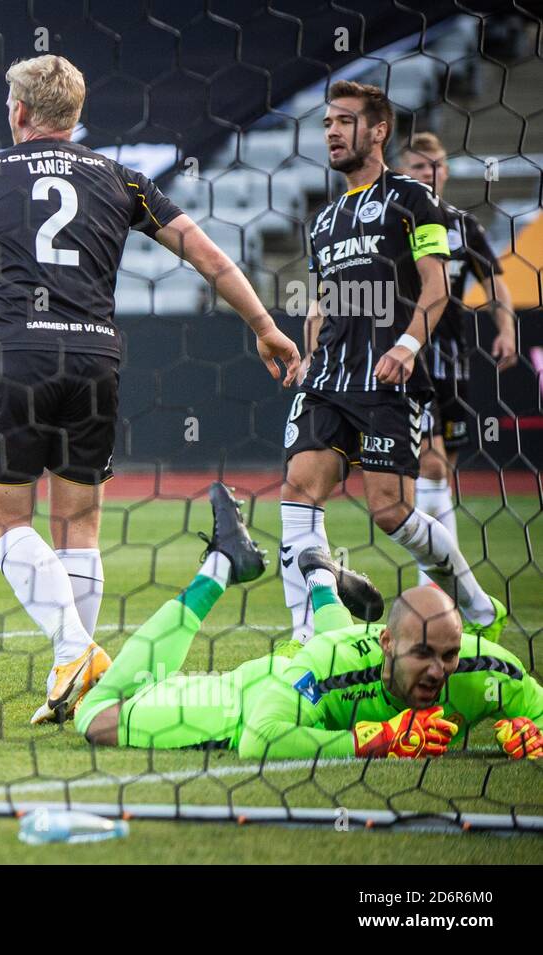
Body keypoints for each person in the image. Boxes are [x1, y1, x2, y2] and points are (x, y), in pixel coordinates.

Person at [0, 54, 301, 723]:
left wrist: (7, 344)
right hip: (95, 354)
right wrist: (264, 326)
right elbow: (208, 254)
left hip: (19, 349)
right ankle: (74, 678)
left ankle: (75, 649)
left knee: (0, 517)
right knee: (77, 520)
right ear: (75, 116)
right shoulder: (120, 178)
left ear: (20, 112)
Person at [279, 81, 505, 645]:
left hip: (386, 380)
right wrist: (307, 356)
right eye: (327, 121)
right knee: (298, 491)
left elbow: (436, 289)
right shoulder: (325, 220)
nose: (331, 130)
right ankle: (309, 641)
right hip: (329, 378)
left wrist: (406, 346)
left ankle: (473, 604)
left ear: (378, 131)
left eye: (345, 121)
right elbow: (325, 301)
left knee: (390, 512)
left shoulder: (414, 200)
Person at [78, 492, 542, 763]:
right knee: (96, 715)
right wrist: (374, 740)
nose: (440, 671)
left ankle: (320, 576)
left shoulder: (488, 672)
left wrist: (530, 730)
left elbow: (537, 708)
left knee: (332, 645)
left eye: (449, 654)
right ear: (388, 643)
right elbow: (261, 737)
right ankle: (223, 566)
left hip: (322, 661)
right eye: (423, 654)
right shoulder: (333, 664)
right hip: (255, 697)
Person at [398, 131, 518, 584]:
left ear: (446, 171)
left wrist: (506, 329)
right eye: (419, 166)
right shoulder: (393, 220)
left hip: (453, 356)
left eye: (436, 166)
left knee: (442, 466)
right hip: (409, 354)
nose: (429, 173)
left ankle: (439, 578)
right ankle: (437, 585)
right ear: (404, 172)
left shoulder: (463, 225)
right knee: (427, 461)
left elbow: (494, 282)